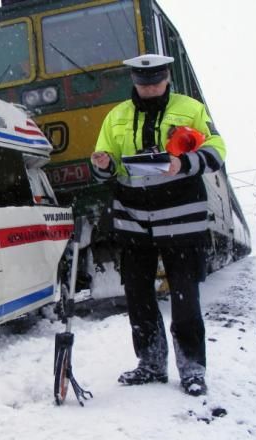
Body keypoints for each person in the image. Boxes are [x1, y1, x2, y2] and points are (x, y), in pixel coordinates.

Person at [90, 54, 226, 396]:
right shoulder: (116, 115)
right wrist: (103, 163)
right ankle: (150, 364)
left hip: (181, 218)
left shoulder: (190, 109)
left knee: (184, 299)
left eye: (155, 80)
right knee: (138, 297)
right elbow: (104, 162)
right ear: (134, 81)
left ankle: (192, 369)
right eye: (142, 81)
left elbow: (217, 148)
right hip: (133, 220)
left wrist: (184, 163)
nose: (149, 87)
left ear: (166, 77)